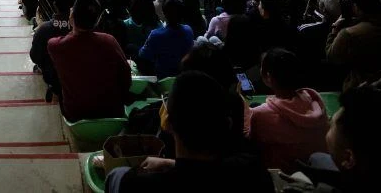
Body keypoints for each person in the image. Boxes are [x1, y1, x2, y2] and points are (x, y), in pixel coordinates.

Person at [105, 71, 275, 193]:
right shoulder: (256, 174)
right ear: (227, 124)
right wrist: (172, 164)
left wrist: (174, 165)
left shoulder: (132, 184)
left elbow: (114, 177)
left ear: (167, 124)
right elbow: (206, 172)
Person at [48, 0, 130, 121]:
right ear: (97, 20)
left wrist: (73, 24)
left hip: (75, 114)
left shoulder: (55, 46)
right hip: (112, 112)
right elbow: (126, 78)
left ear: (72, 16)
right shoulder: (109, 41)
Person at [248, 48, 329, 170]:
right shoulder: (316, 101)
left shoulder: (259, 115)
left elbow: (251, 141)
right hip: (316, 170)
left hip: (282, 174)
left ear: (268, 76)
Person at [30, 0, 75, 100]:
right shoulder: (82, 29)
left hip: (52, 77)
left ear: (55, 4)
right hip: (77, 76)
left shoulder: (43, 29)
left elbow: (35, 57)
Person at [136, 0, 194, 79]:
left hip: (163, 78)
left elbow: (143, 55)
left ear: (164, 13)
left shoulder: (155, 34)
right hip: (183, 75)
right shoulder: (188, 30)